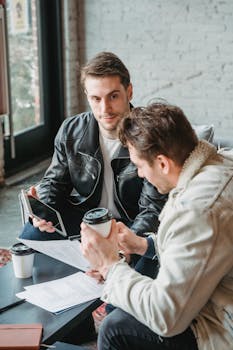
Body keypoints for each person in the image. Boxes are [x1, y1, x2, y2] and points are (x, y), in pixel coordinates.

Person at [80, 102, 233, 350]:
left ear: (162, 163)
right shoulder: (221, 163)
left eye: (139, 166)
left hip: (224, 329)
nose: (140, 175)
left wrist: (109, 265)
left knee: (115, 327)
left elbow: (165, 317)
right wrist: (142, 245)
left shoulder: (198, 210)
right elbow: (207, 248)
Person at [19, 52, 166, 277]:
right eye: (96, 99)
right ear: (87, 96)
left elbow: (152, 210)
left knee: (141, 262)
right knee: (31, 234)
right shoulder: (72, 130)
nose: (104, 109)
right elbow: (54, 182)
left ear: (129, 92)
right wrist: (44, 211)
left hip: (129, 226)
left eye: (113, 96)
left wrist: (123, 248)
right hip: (86, 219)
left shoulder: (149, 134)